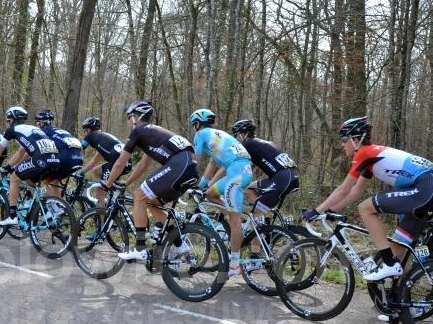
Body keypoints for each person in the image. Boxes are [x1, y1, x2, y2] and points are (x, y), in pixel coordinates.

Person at [302, 116, 433, 282]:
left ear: (356, 140)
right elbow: (355, 191)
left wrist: (316, 211)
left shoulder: (364, 153)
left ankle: (389, 263)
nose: (342, 145)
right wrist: (329, 211)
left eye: (344, 139)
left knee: (365, 208)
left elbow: (343, 189)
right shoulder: (372, 156)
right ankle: (404, 296)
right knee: (398, 248)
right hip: (429, 191)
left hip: (425, 191)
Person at [103, 101, 199, 262]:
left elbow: (120, 163)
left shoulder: (139, 131)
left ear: (136, 117)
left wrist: (107, 185)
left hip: (179, 164)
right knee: (150, 202)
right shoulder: (153, 133)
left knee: (139, 195)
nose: (127, 121)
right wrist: (126, 183)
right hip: (191, 168)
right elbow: (143, 164)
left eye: (128, 117)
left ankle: (140, 248)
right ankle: (180, 245)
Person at [191, 109, 252, 276]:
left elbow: (194, 163)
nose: (194, 129)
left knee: (234, 221)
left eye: (193, 126)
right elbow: (212, 165)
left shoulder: (200, 134)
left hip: (236, 176)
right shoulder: (219, 135)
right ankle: (236, 219)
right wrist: (202, 185)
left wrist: (191, 182)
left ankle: (234, 264)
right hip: (240, 172)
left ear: (197, 124)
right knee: (210, 194)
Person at [0, 106, 60, 226]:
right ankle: (49, 212)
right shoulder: (32, 128)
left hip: (41, 159)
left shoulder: (12, 130)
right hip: (55, 159)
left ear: (12, 120)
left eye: (8, 120)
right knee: (30, 182)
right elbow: (21, 153)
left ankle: (12, 216)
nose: (8, 123)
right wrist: (9, 166)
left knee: (14, 178)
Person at [231, 119, 300, 214]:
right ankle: (264, 223)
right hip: (291, 177)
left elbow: (234, 163)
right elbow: (251, 166)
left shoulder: (247, 144)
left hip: (282, 178)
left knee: (256, 212)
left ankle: (260, 220)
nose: (235, 139)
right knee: (248, 188)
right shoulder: (260, 143)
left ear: (244, 134)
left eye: (236, 135)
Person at [78, 117, 132, 206]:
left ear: (89, 129)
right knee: (96, 171)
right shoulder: (103, 137)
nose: (85, 132)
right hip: (126, 162)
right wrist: (82, 172)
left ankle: (102, 219)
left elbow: (79, 149)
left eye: (85, 130)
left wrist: (78, 171)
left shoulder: (91, 136)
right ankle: (110, 198)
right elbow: (95, 160)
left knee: (100, 194)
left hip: (117, 162)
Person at [34, 110, 84, 198]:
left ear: (41, 122)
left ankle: (54, 210)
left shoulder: (44, 131)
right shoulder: (58, 130)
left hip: (66, 157)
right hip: (78, 158)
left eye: (38, 123)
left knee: (43, 182)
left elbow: (36, 150)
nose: (37, 125)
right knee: (54, 183)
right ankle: (63, 208)